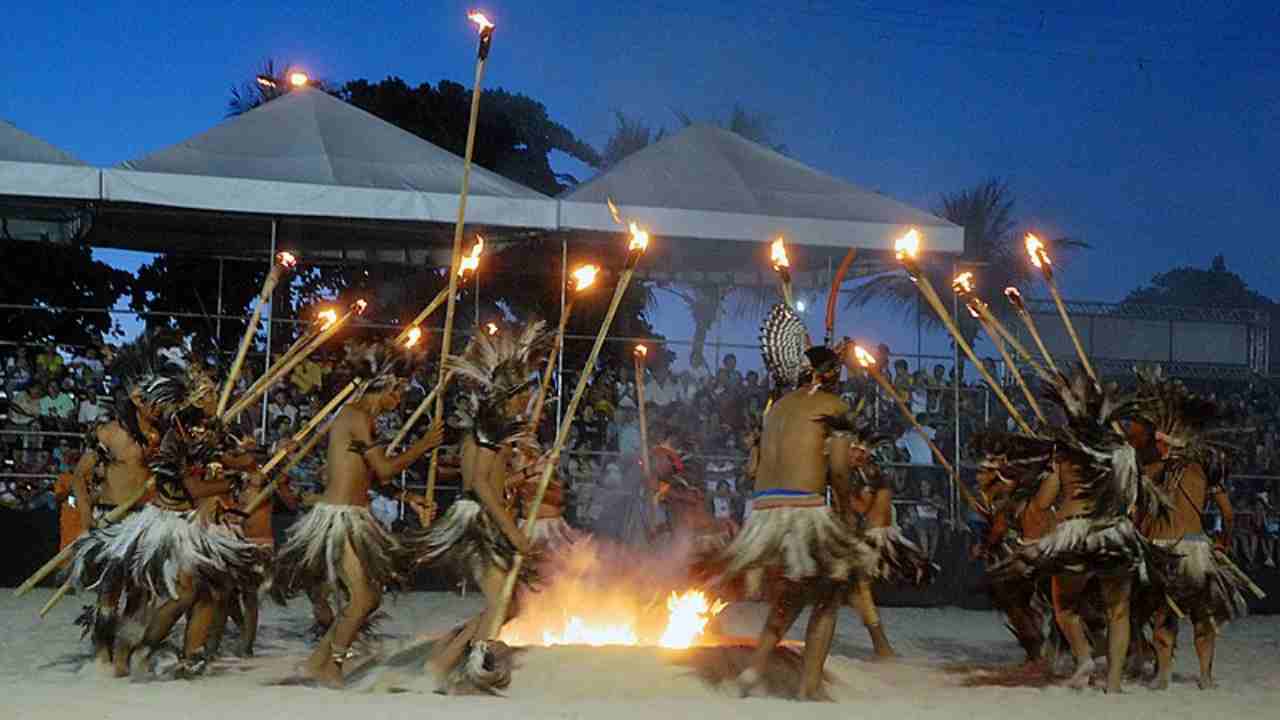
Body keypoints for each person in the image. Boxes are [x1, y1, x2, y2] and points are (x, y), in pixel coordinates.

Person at [696, 338, 876, 700]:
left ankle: (754, 670)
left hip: (763, 512)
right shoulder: (833, 406)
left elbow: (755, 469)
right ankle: (809, 689)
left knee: (792, 595)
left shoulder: (774, 409)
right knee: (829, 596)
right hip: (803, 509)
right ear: (825, 375)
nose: (839, 379)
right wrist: (844, 512)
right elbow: (840, 471)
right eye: (836, 372)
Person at [989, 371, 1166, 693]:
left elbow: (1043, 502)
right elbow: (1130, 498)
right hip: (1113, 532)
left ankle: (1083, 657)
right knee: (1118, 611)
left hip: (1073, 533)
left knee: (1065, 608)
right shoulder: (1123, 451)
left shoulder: (1065, 452)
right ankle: (1113, 684)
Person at [273, 364, 445, 688]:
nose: (400, 400)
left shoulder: (363, 419)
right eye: (398, 393)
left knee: (371, 598)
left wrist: (409, 498)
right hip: (340, 518)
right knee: (363, 598)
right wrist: (423, 446)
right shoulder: (356, 415)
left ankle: (318, 661)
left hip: (352, 514)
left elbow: (367, 476)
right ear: (383, 389)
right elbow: (384, 470)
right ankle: (332, 665)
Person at [409, 323, 546, 692]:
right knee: (501, 602)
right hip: (478, 519)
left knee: (508, 605)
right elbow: (482, 485)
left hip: (481, 515)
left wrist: (522, 480)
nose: (527, 400)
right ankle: (471, 673)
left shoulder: (491, 423)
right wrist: (513, 532)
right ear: (510, 394)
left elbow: (489, 480)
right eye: (524, 393)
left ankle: (445, 658)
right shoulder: (491, 424)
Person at [1130, 372, 1258, 690]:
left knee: (1163, 614)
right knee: (1203, 617)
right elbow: (1228, 513)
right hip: (1197, 549)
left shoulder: (1149, 469)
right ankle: (1205, 676)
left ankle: (1162, 675)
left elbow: (1137, 516)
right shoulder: (1202, 469)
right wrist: (1224, 540)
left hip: (1161, 548)